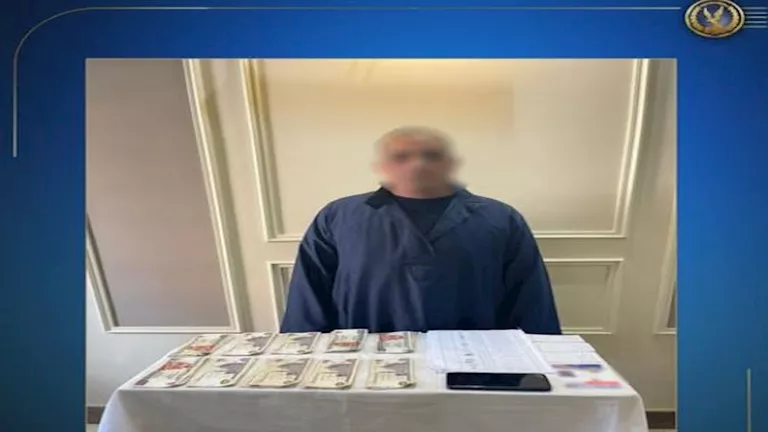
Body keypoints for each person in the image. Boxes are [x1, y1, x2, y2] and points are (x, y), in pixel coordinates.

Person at [280, 126, 561, 335]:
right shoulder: (339, 217)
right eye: (402, 156)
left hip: (475, 364)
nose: (418, 163)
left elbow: (530, 297)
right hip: (365, 361)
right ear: (382, 166)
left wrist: (542, 357)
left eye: (431, 155)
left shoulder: (500, 219)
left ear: (452, 163)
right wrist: (300, 356)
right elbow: (309, 294)